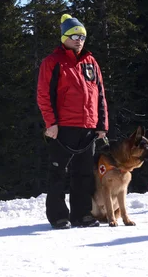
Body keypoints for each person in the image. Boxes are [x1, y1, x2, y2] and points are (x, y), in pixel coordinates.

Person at [37, 14, 108, 229]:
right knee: (58, 172)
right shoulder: (52, 62)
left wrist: (102, 125)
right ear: (64, 37)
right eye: (74, 36)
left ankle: (82, 214)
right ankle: (58, 216)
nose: (79, 40)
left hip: (88, 127)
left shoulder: (91, 62)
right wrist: (51, 123)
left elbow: (100, 95)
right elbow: (43, 95)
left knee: (84, 173)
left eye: (82, 36)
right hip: (63, 127)